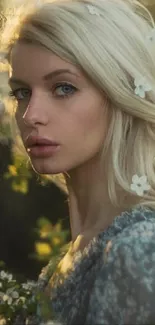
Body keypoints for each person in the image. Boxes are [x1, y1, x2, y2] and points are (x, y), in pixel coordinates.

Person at [3, 0, 155, 323]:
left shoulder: (138, 252)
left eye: (63, 87)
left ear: (118, 91)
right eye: (21, 93)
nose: (31, 116)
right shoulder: (70, 257)